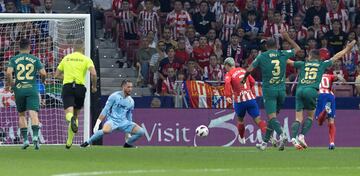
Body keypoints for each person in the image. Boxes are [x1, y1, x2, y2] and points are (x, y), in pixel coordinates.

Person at [287, 40, 357, 150]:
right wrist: (347, 49)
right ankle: (302, 136)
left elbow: (289, 62)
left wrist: (276, 56)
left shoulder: (303, 64)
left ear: (310, 56)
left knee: (298, 118)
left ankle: (293, 138)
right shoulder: (322, 64)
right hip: (312, 90)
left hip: (299, 90)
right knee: (310, 116)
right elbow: (336, 57)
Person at [241, 31, 301, 151]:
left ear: (266, 47)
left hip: (269, 91)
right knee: (272, 118)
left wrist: (244, 79)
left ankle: (282, 134)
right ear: (277, 46)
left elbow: (249, 69)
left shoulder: (262, 56)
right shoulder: (283, 53)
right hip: (281, 91)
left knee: (272, 117)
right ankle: (264, 143)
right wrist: (288, 38)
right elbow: (298, 49)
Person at [55, 39, 97, 149]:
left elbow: (56, 75)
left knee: (69, 113)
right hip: (80, 88)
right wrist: (94, 86)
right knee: (76, 114)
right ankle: (69, 142)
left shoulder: (66, 58)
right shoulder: (86, 59)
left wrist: (67, 77)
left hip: (68, 86)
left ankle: (71, 122)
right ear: (83, 48)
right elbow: (93, 74)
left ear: (73, 48)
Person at [5, 38, 47, 150]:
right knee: (33, 114)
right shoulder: (34, 58)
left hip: (19, 89)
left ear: (19, 48)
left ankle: (25, 140)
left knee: (22, 114)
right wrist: (43, 80)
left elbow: (9, 72)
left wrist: (10, 84)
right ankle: (34, 137)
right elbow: (43, 73)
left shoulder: (14, 59)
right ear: (29, 47)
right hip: (32, 89)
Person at [81, 80, 145, 148]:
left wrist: (128, 132)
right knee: (106, 130)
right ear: (123, 87)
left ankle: (128, 144)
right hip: (112, 120)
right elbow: (106, 109)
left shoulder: (131, 101)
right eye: (128, 87)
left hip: (124, 122)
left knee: (141, 132)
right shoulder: (114, 96)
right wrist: (98, 123)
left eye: (131, 87)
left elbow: (129, 115)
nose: (130, 89)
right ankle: (87, 142)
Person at [224, 57, 267, 144]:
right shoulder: (243, 70)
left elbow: (227, 83)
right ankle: (268, 135)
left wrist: (228, 95)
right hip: (250, 99)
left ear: (227, 65)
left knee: (240, 120)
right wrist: (249, 90)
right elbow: (253, 81)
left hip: (240, 101)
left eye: (225, 66)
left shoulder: (229, 74)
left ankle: (242, 137)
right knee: (258, 119)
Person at [315, 73, 345, 150]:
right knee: (331, 121)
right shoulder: (329, 75)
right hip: (331, 96)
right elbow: (340, 78)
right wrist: (341, 78)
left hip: (321, 95)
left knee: (319, 122)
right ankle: (332, 142)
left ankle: (325, 110)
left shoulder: (315, 75)